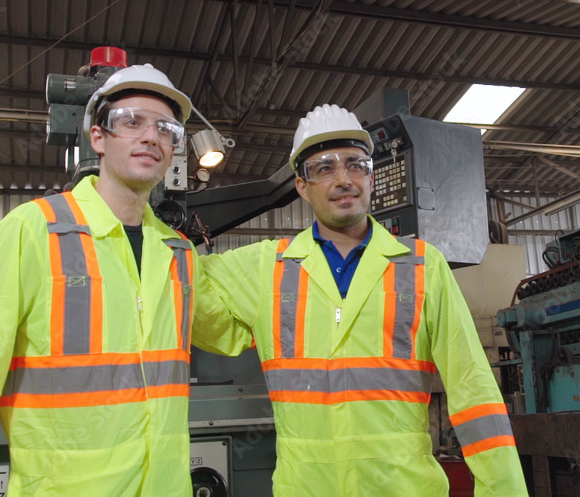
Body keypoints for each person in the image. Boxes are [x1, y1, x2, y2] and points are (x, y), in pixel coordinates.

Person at [193, 104, 528, 496]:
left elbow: (475, 392)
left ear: (371, 176)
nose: (343, 180)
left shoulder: (423, 267)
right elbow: (176, 285)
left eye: (356, 164)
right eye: (324, 168)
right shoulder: (264, 268)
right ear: (301, 186)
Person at [0, 64, 202, 496]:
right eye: (131, 121)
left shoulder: (178, 253)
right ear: (98, 137)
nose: (150, 136)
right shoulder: (33, 230)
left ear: (173, 148)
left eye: (166, 129)